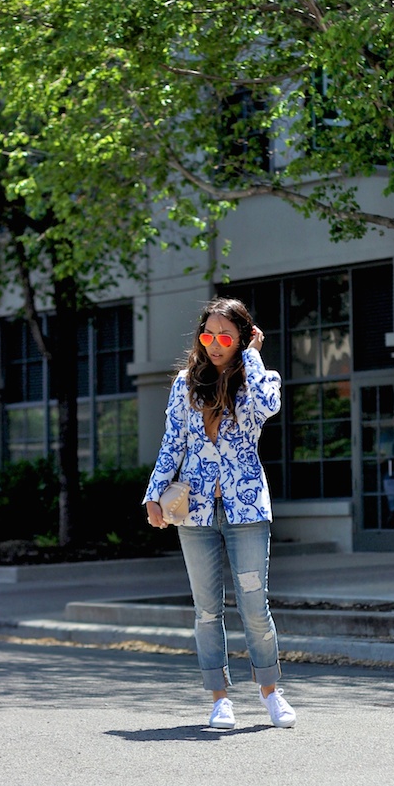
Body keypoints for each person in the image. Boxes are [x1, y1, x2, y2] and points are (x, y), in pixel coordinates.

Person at [143, 296, 296, 730]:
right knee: (207, 610)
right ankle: (220, 699)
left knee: (253, 604)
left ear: (242, 339)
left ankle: (270, 693)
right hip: (194, 513)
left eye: (225, 336)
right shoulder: (184, 384)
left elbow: (270, 406)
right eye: (207, 334)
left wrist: (253, 354)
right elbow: (172, 443)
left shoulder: (257, 380)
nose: (214, 343)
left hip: (245, 508)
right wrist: (154, 496)